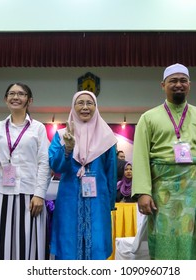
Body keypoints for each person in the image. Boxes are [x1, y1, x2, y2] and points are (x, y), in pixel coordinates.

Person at [131, 63, 196, 260]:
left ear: (190, 85)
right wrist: (143, 192)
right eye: (173, 81)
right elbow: (140, 156)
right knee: (166, 243)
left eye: (183, 80)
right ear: (163, 85)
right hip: (163, 193)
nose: (178, 85)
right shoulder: (148, 118)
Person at [0, 83, 51, 260]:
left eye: (21, 94)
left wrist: (40, 194)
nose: (15, 97)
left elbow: (45, 163)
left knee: (28, 247)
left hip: (30, 196)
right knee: (0, 246)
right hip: (2, 194)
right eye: (11, 93)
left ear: (29, 100)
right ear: (5, 99)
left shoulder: (38, 128)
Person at [48, 90, 118, 260]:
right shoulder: (61, 135)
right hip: (68, 200)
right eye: (80, 103)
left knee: (97, 243)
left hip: (98, 202)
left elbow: (111, 173)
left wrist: (109, 203)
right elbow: (55, 166)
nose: (85, 107)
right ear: (73, 107)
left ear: (96, 107)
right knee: (68, 244)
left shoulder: (107, 137)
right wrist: (68, 148)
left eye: (89, 103)